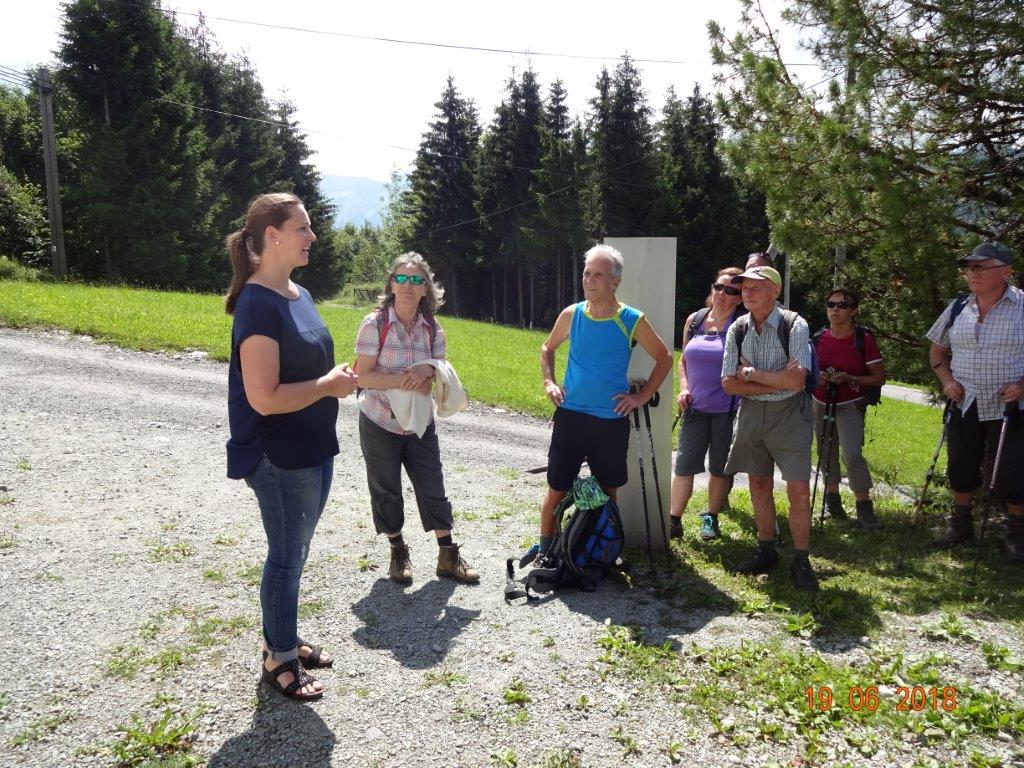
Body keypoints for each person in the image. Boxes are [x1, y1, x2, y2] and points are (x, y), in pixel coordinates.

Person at [225, 192, 359, 701]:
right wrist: (326, 386)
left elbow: (307, 366)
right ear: (272, 236)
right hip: (278, 454)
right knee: (285, 557)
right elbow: (263, 397)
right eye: (302, 227)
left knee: (295, 551)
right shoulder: (257, 304)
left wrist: (333, 378)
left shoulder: (298, 294)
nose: (312, 236)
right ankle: (279, 657)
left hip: (313, 445)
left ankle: (282, 636)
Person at [354, 253, 479, 585]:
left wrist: (427, 371)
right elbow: (363, 377)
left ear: (426, 289)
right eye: (401, 278)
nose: (408, 285)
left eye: (416, 280)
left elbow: (439, 370)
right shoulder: (374, 324)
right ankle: (398, 552)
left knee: (432, 485)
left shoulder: (433, 329)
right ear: (392, 285)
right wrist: (404, 379)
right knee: (386, 489)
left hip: (419, 421)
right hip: (379, 418)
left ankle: (447, 556)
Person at [539, 244, 673, 554]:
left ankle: (604, 554)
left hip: (610, 420)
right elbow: (547, 348)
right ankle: (546, 553)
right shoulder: (572, 314)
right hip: (570, 416)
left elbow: (665, 357)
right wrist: (549, 382)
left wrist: (642, 396)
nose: (589, 280)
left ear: (615, 281)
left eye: (598, 275)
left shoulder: (631, 319)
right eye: (587, 273)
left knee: (608, 491)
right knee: (557, 488)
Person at [721, 265, 820, 591]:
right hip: (752, 413)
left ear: (775, 290)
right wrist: (776, 379)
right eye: (744, 287)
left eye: (756, 287)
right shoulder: (738, 327)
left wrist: (751, 373)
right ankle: (766, 551)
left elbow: (797, 381)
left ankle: (801, 560)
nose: (747, 293)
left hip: (790, 414)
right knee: (758, 483)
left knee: (798, 488)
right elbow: (728, 384)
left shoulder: (795, 324)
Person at [926, 241, 1024, 564]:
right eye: (969, 267)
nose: (973, 273)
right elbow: (937, 352)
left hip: (1011, 407)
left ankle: (1016, 534)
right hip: (965, 402)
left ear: (1006, 271)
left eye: (981, 267)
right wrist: (947, 381)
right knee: (960, 465)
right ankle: (961, 525)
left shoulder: (1022, 306)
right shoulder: (958, 307)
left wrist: (1022, 387)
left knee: (1013, 471)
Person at [669, 267, 744, 542]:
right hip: (694, 408)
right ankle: (673, 520)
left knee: (719, 468)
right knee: (684, 465)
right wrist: (684, 389)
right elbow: (683, 360)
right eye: (719, 286)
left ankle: (710, 518)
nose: (723, 293)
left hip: (728, 410)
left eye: (732, 290)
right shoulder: (695, 320)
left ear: (740, 298)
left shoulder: (741, 326)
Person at [811, 287, 886, 528]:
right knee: (825, 451)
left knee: (852, 454)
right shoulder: (819, 338)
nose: (835, 309)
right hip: (820, 400)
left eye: (842, 305)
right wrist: (820, 376)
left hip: (850, 403)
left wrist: (850, 378)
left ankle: (864, 507)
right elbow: (808, 370)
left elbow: (879, 377)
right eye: (831, 304)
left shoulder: (863, 339)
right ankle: (832, 501)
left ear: (854, 311)